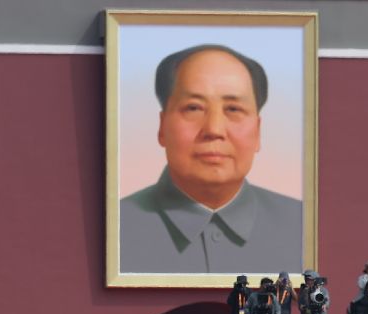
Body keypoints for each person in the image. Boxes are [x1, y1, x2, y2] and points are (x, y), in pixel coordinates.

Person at [119, 45, 303, 275]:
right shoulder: (114, 227)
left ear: (257, 131)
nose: (214, 129)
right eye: (194, 108)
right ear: (162, 126)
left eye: (233, 109)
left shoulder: (304, 226)